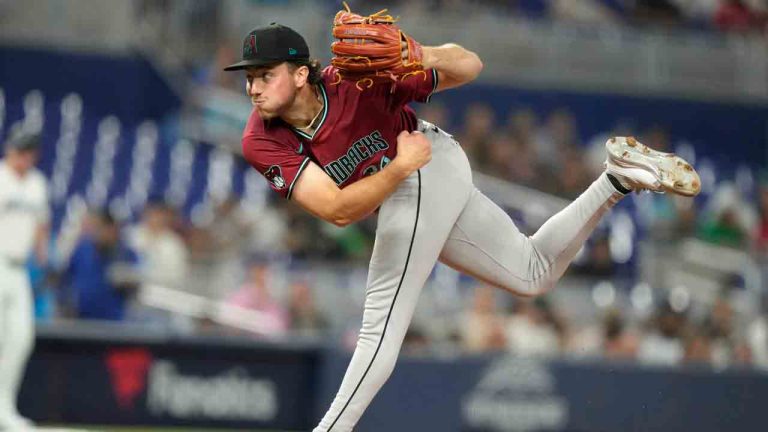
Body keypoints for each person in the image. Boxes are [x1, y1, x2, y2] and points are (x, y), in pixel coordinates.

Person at [224, 20, 699, 431]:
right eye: (249, 78)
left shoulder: (355, 80)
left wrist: (418, 53)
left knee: (379, 325)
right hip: (408, 175)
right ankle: (617, 177)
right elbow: (337, 209)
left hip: (429, 167)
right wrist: (398, 168)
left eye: (265, 74)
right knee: (532, 273)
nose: (254, 88)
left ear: (301, 73)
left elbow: (470, 66)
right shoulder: (259, 138)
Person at [0, 125, 49, 430]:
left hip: (18, 270)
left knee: (20, 338)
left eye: (27, 152)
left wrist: (42, 255)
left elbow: (42, 222)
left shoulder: (37, 183)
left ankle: (4, 409)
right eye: (18, 150)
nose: (21, 157)